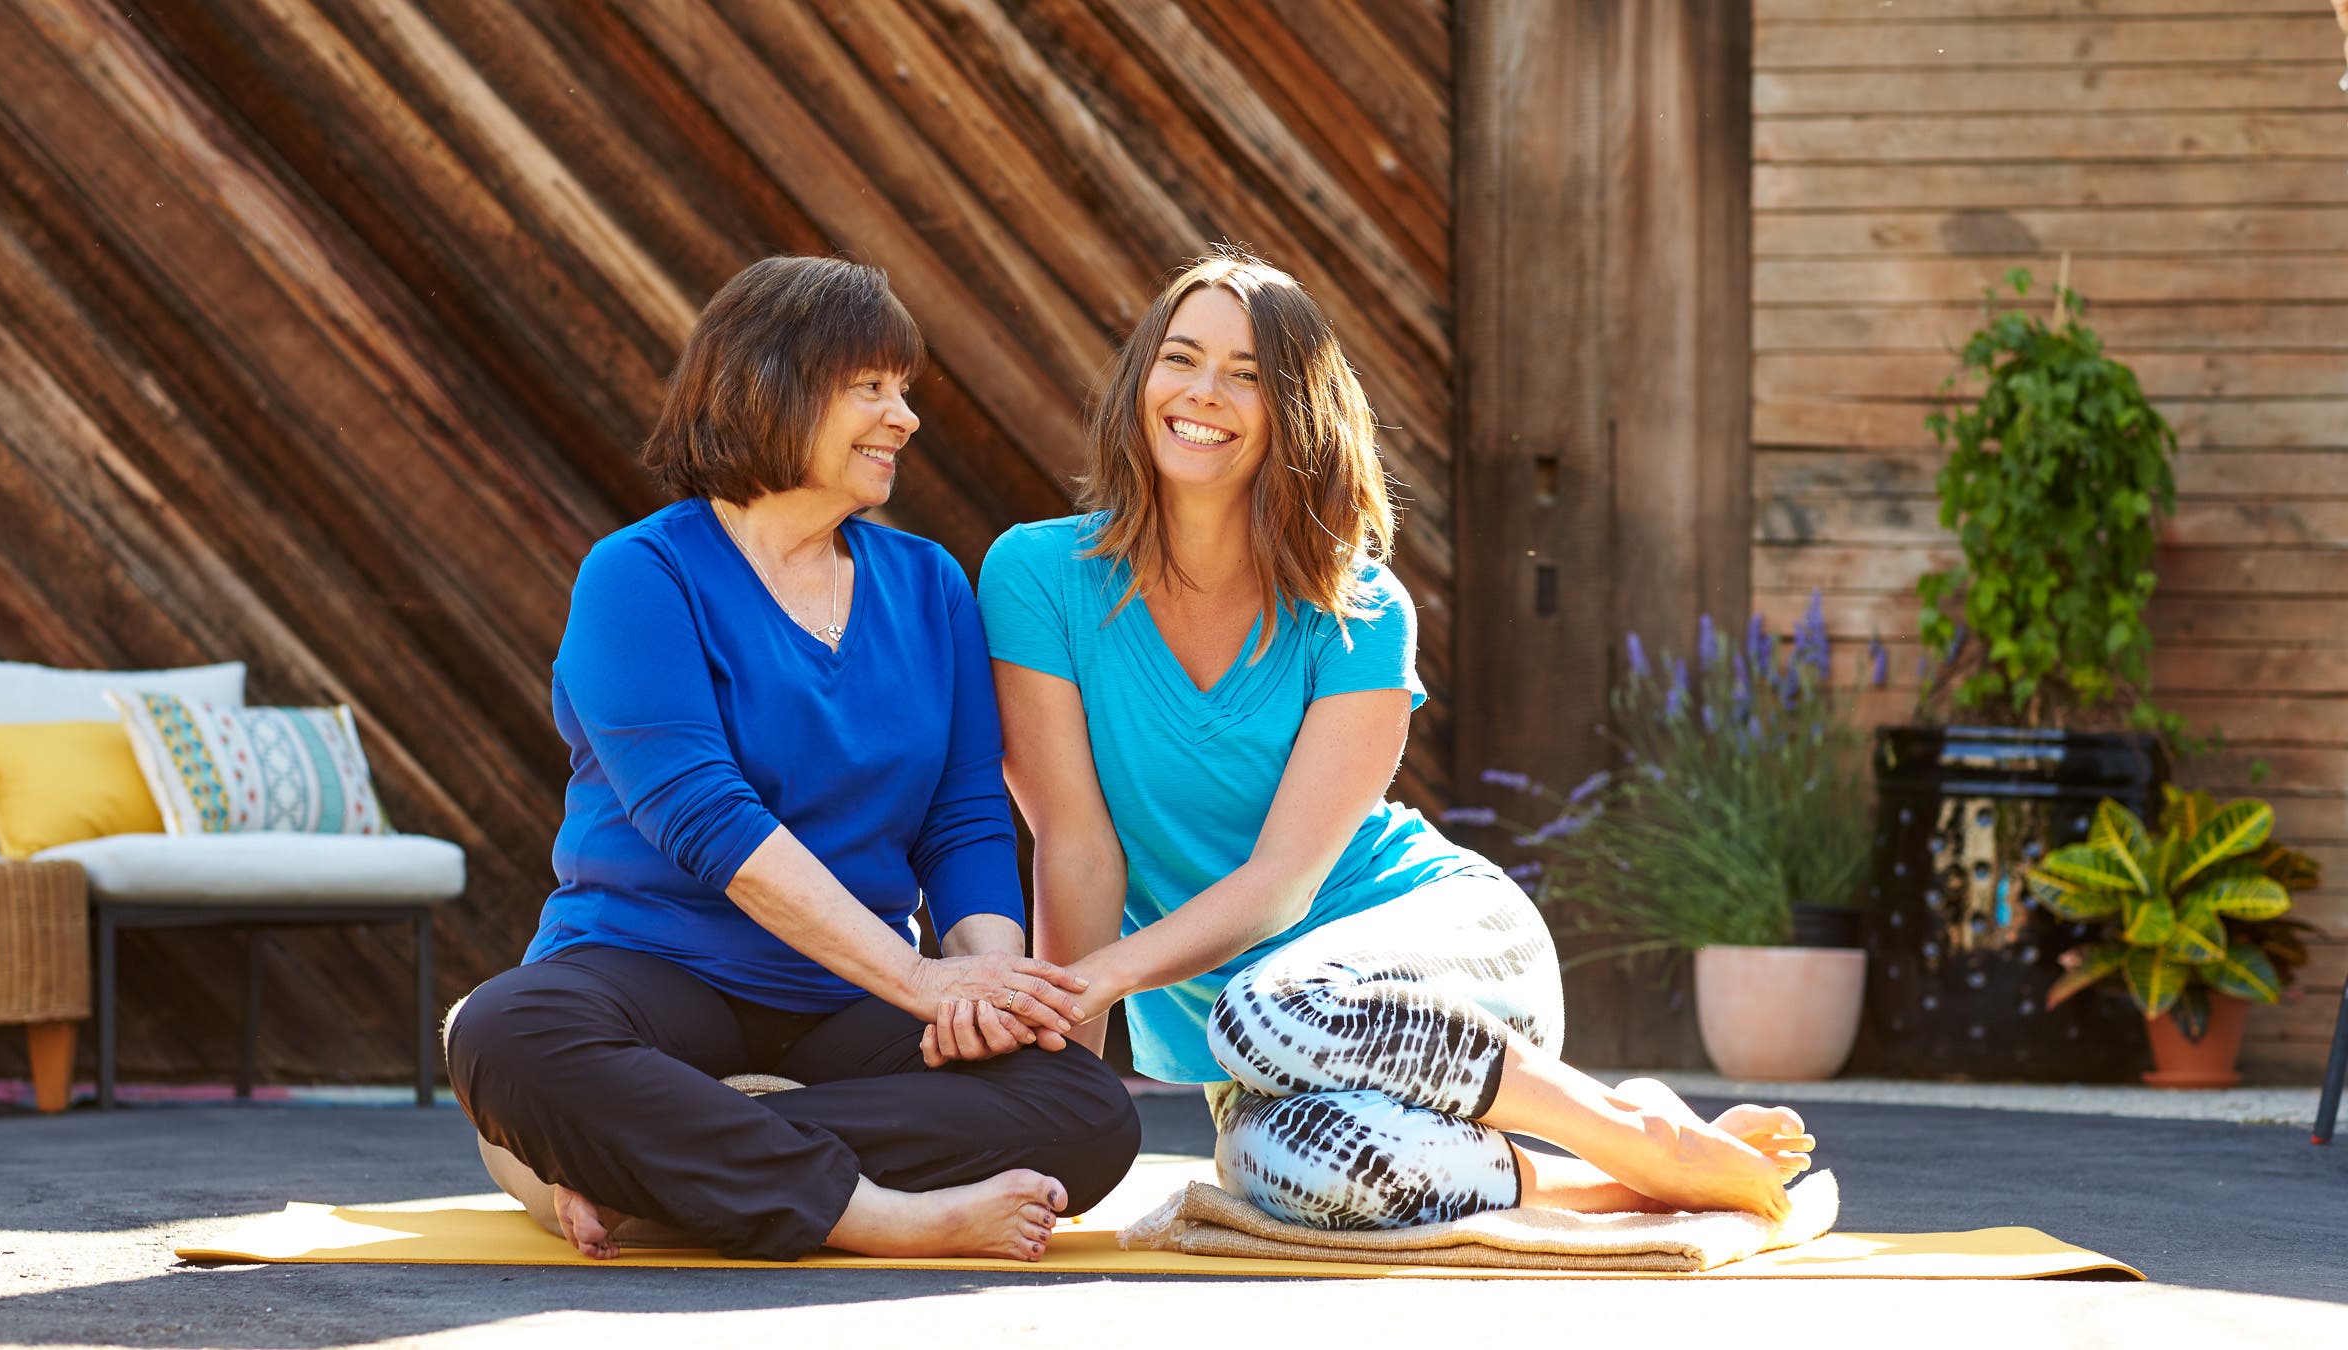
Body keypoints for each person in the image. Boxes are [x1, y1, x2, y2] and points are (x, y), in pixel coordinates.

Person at [970, 248, 1811, 1230]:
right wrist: (1063, 1099)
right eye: (1181, 358)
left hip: (1442, 960)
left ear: (1298, 411)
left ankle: (1627, 1135)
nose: (1204, 392)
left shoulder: (1358, 607)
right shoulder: (1037, 578)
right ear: (1140, 380)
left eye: (1248, 374)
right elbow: (1078, 846)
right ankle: (1629, 1180)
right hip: (1274, 1045)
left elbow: (1285, 883)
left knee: (1260, 1004)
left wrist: (1101, 974)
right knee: (1281, 1175)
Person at [446, 255, 1140, 1263]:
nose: (902, 418)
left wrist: (983, 981)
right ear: (766, 384)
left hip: (842, 1014)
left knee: (1086, 1110)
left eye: (904, 392)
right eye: (870, 388)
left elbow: (963, 819)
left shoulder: (929, 584)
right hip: (655, 973)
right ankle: (877, 1216)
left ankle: (654, 1162)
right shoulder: (641, 575)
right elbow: (704, 819)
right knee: (505, 1036)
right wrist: (915, 978)